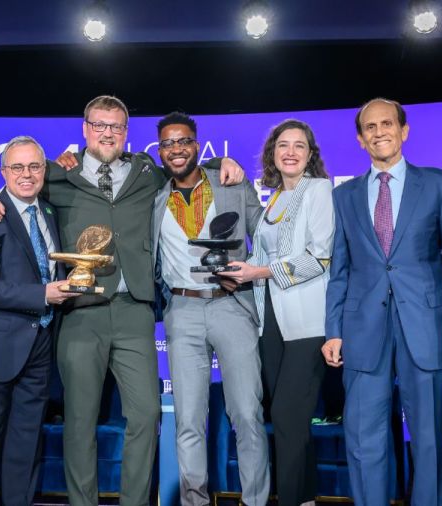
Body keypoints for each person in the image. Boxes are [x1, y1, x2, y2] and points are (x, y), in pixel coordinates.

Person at [0, 95, 243, 506]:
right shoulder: (59, 175)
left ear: (126, 132)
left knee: (148, 414)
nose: (107, 133)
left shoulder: (147, 172)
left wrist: (219, 164)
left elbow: (183, 169)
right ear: (85, 129)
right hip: (80, 312)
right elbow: (18, 190)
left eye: (115, 126)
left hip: (134, 310)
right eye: (99, 125)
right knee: (79, 421)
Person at [322, 98, 442, 506]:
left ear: (404, 130)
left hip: (427, 325)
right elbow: (340, 269)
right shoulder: (344, 195)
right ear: (361, 139)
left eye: (387, 124)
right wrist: (333, 330)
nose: (379, 132)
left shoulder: (438, 183)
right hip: (362, 329)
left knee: (430, 440)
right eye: (370, 127)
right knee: (364, 438)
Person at [152, 112, 269, 506]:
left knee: (247, 415)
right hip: (181, 310)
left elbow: (266, 237)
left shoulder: (231, 182)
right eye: (168, 143)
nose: (176, 149)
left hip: (232, 306)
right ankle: (194, 501)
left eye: (183, 141)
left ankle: (255, 500)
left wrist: (254, 274)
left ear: (197, 144)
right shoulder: (153, 196)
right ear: (160, 151)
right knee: (187, 421)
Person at [0, 136, 79, 505]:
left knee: (25, 447)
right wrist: (43, 295)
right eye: (17, 168)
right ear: (4, 172)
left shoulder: (50, 212)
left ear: (45, 170)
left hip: (39, 346)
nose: (27, 175)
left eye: (35, 166)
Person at [219, 119, 334, 506]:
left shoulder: (318, 191)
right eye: (282, 145)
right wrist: (237, 273)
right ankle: (304, 500)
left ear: (310, 154)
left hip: (306, 321)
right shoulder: (275, 199)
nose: (290, 152)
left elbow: (319, 257)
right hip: (269, 321)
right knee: (288, 421)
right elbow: (263, 255)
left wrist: (260, 272)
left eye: (299, 146)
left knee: (288, 415)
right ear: (272, 153)